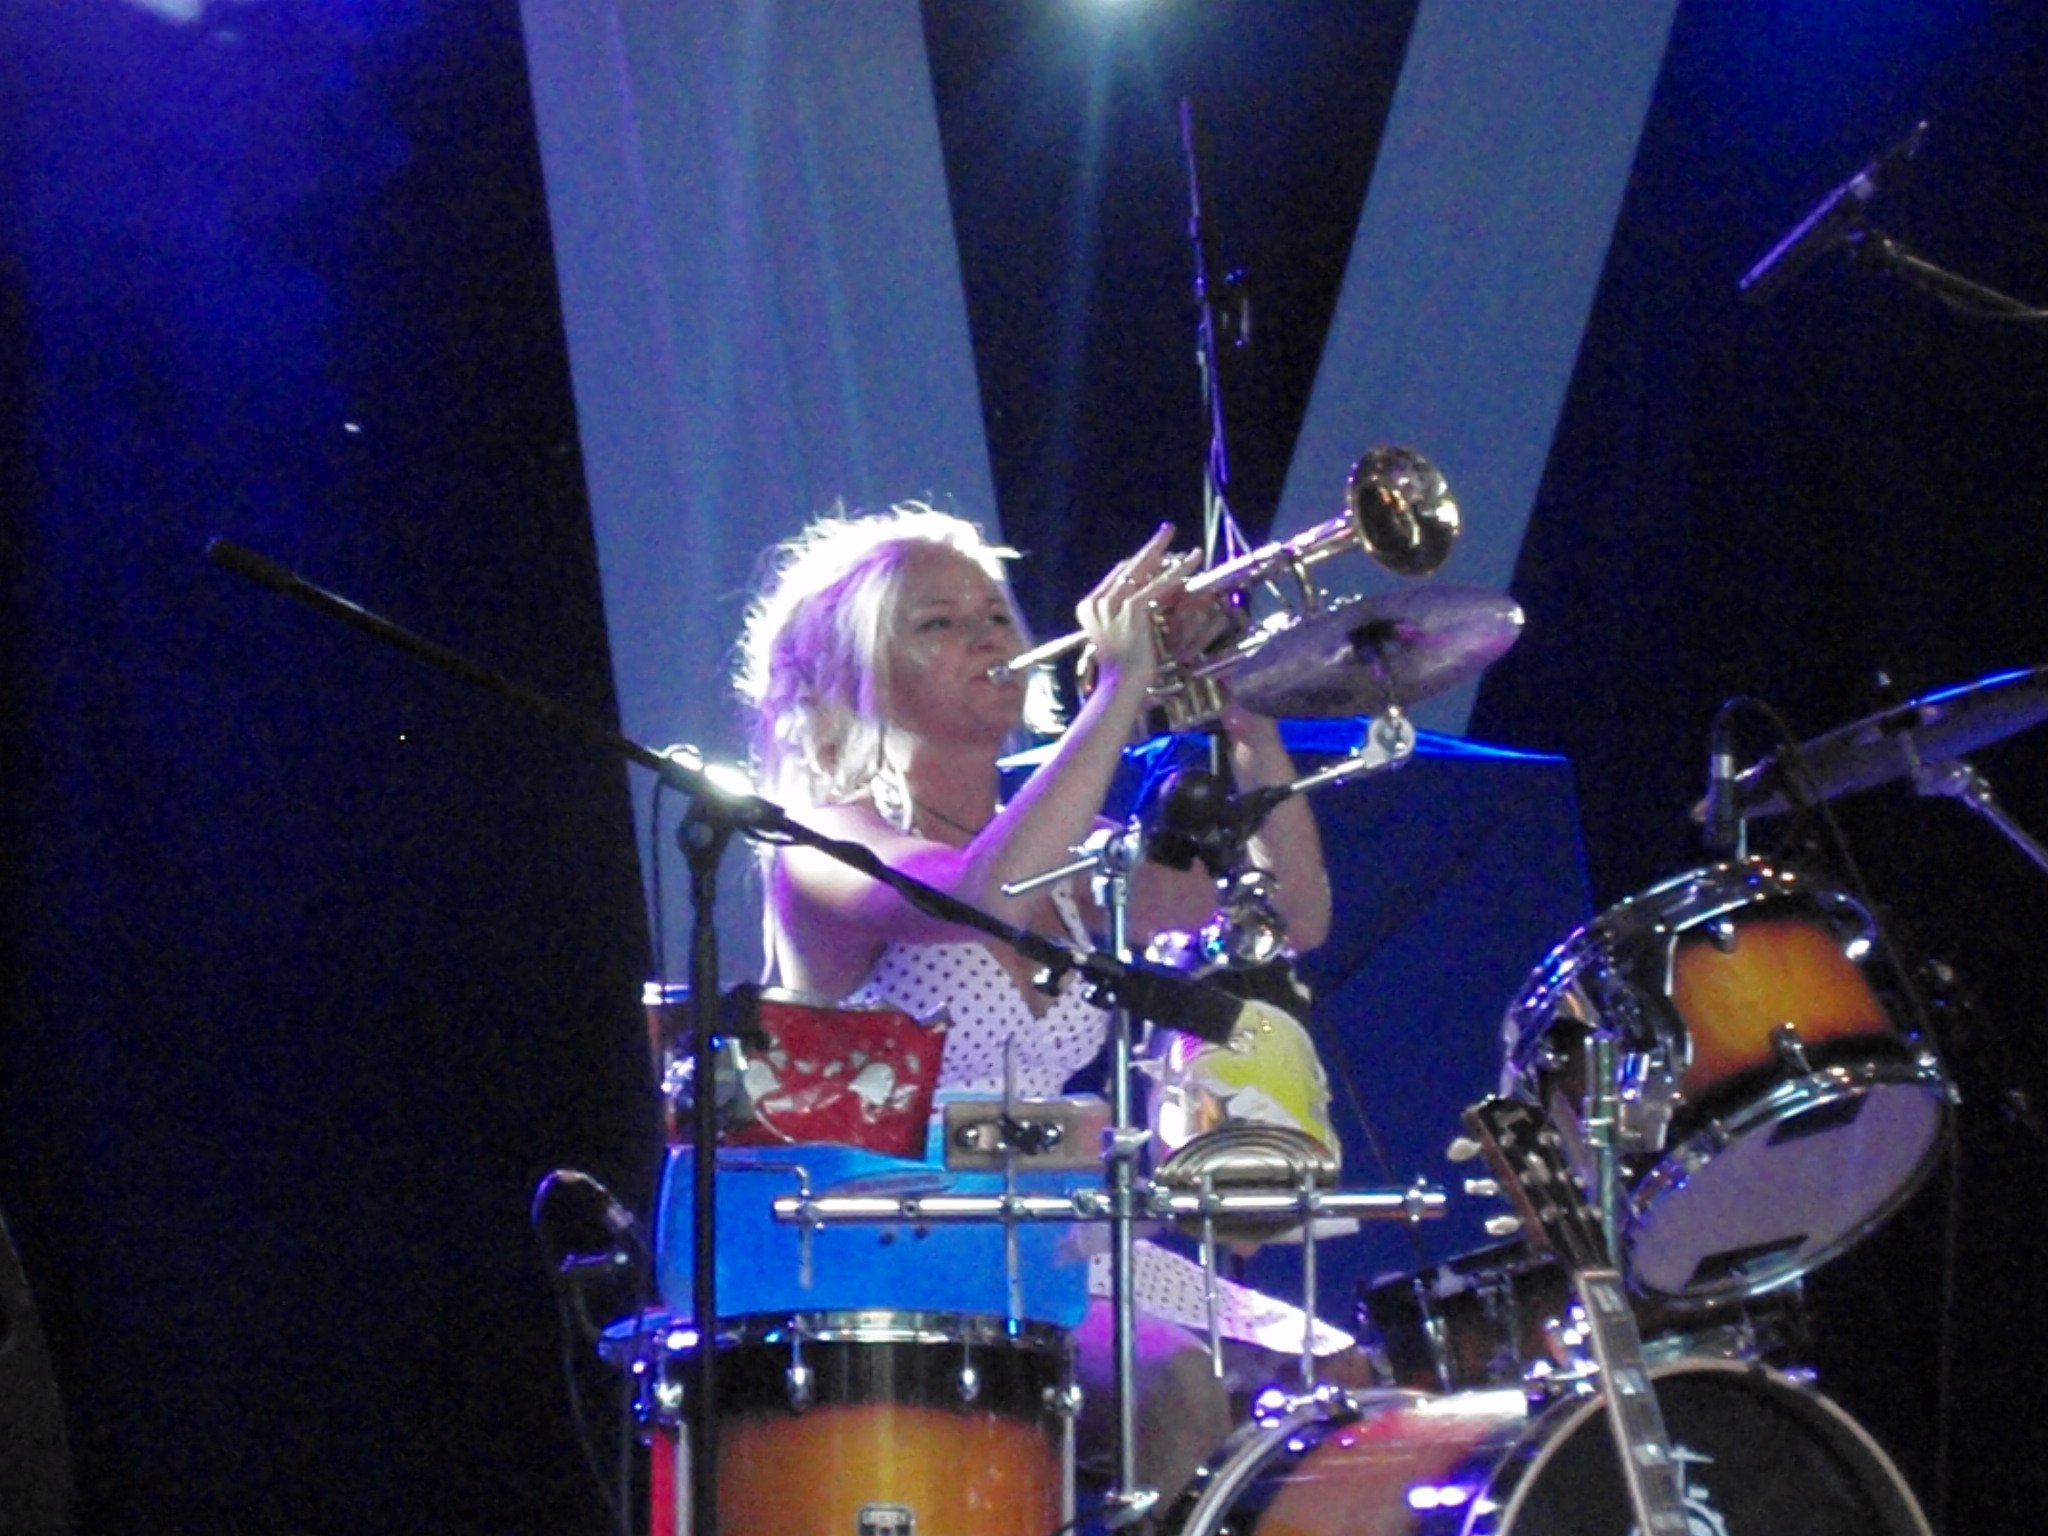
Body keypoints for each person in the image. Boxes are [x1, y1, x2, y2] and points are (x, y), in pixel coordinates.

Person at [733, 503, 1344, 1508]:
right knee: (1175, 1386)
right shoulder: (821, 842)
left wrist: (1246, 712)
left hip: (1051, 1244)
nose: (985, 638)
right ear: (850, 677)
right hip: (888, 1247)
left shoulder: (1074, 854)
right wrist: (1119, 690)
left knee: (1331, 1384)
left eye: (993, 616)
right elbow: (983, 894)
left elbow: (1290, 916)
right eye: (937, 624)